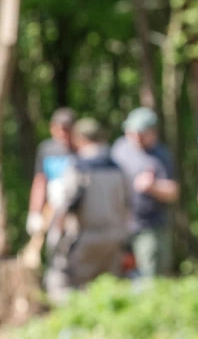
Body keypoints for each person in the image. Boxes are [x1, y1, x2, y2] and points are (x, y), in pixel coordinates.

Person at [45, 118, 132, 299]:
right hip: (115, 239)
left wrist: (56, 235)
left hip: (85, 239)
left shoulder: (78, 167)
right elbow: (128, 204)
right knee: (109, 292)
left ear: (80, 139)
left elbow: (67, 203)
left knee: (71, 288)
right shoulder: (118, 168)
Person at [110, 107, 179, 278]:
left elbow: (173, 192)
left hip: (151, 227)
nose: (136, 138)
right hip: (121, 225)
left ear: (152, 132)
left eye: (141, 133)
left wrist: (152, 186)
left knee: (152, 275)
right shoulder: (119, 149)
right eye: (131, 133)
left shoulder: (161, 155)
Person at [27, 108, 77, 237]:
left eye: (66, 129)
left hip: (75, 212)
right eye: (58, 129)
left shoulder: (81, 149)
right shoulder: (46, 149)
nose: (62, 134)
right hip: (52, 210)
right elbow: (40, 181)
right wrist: (35, 212)